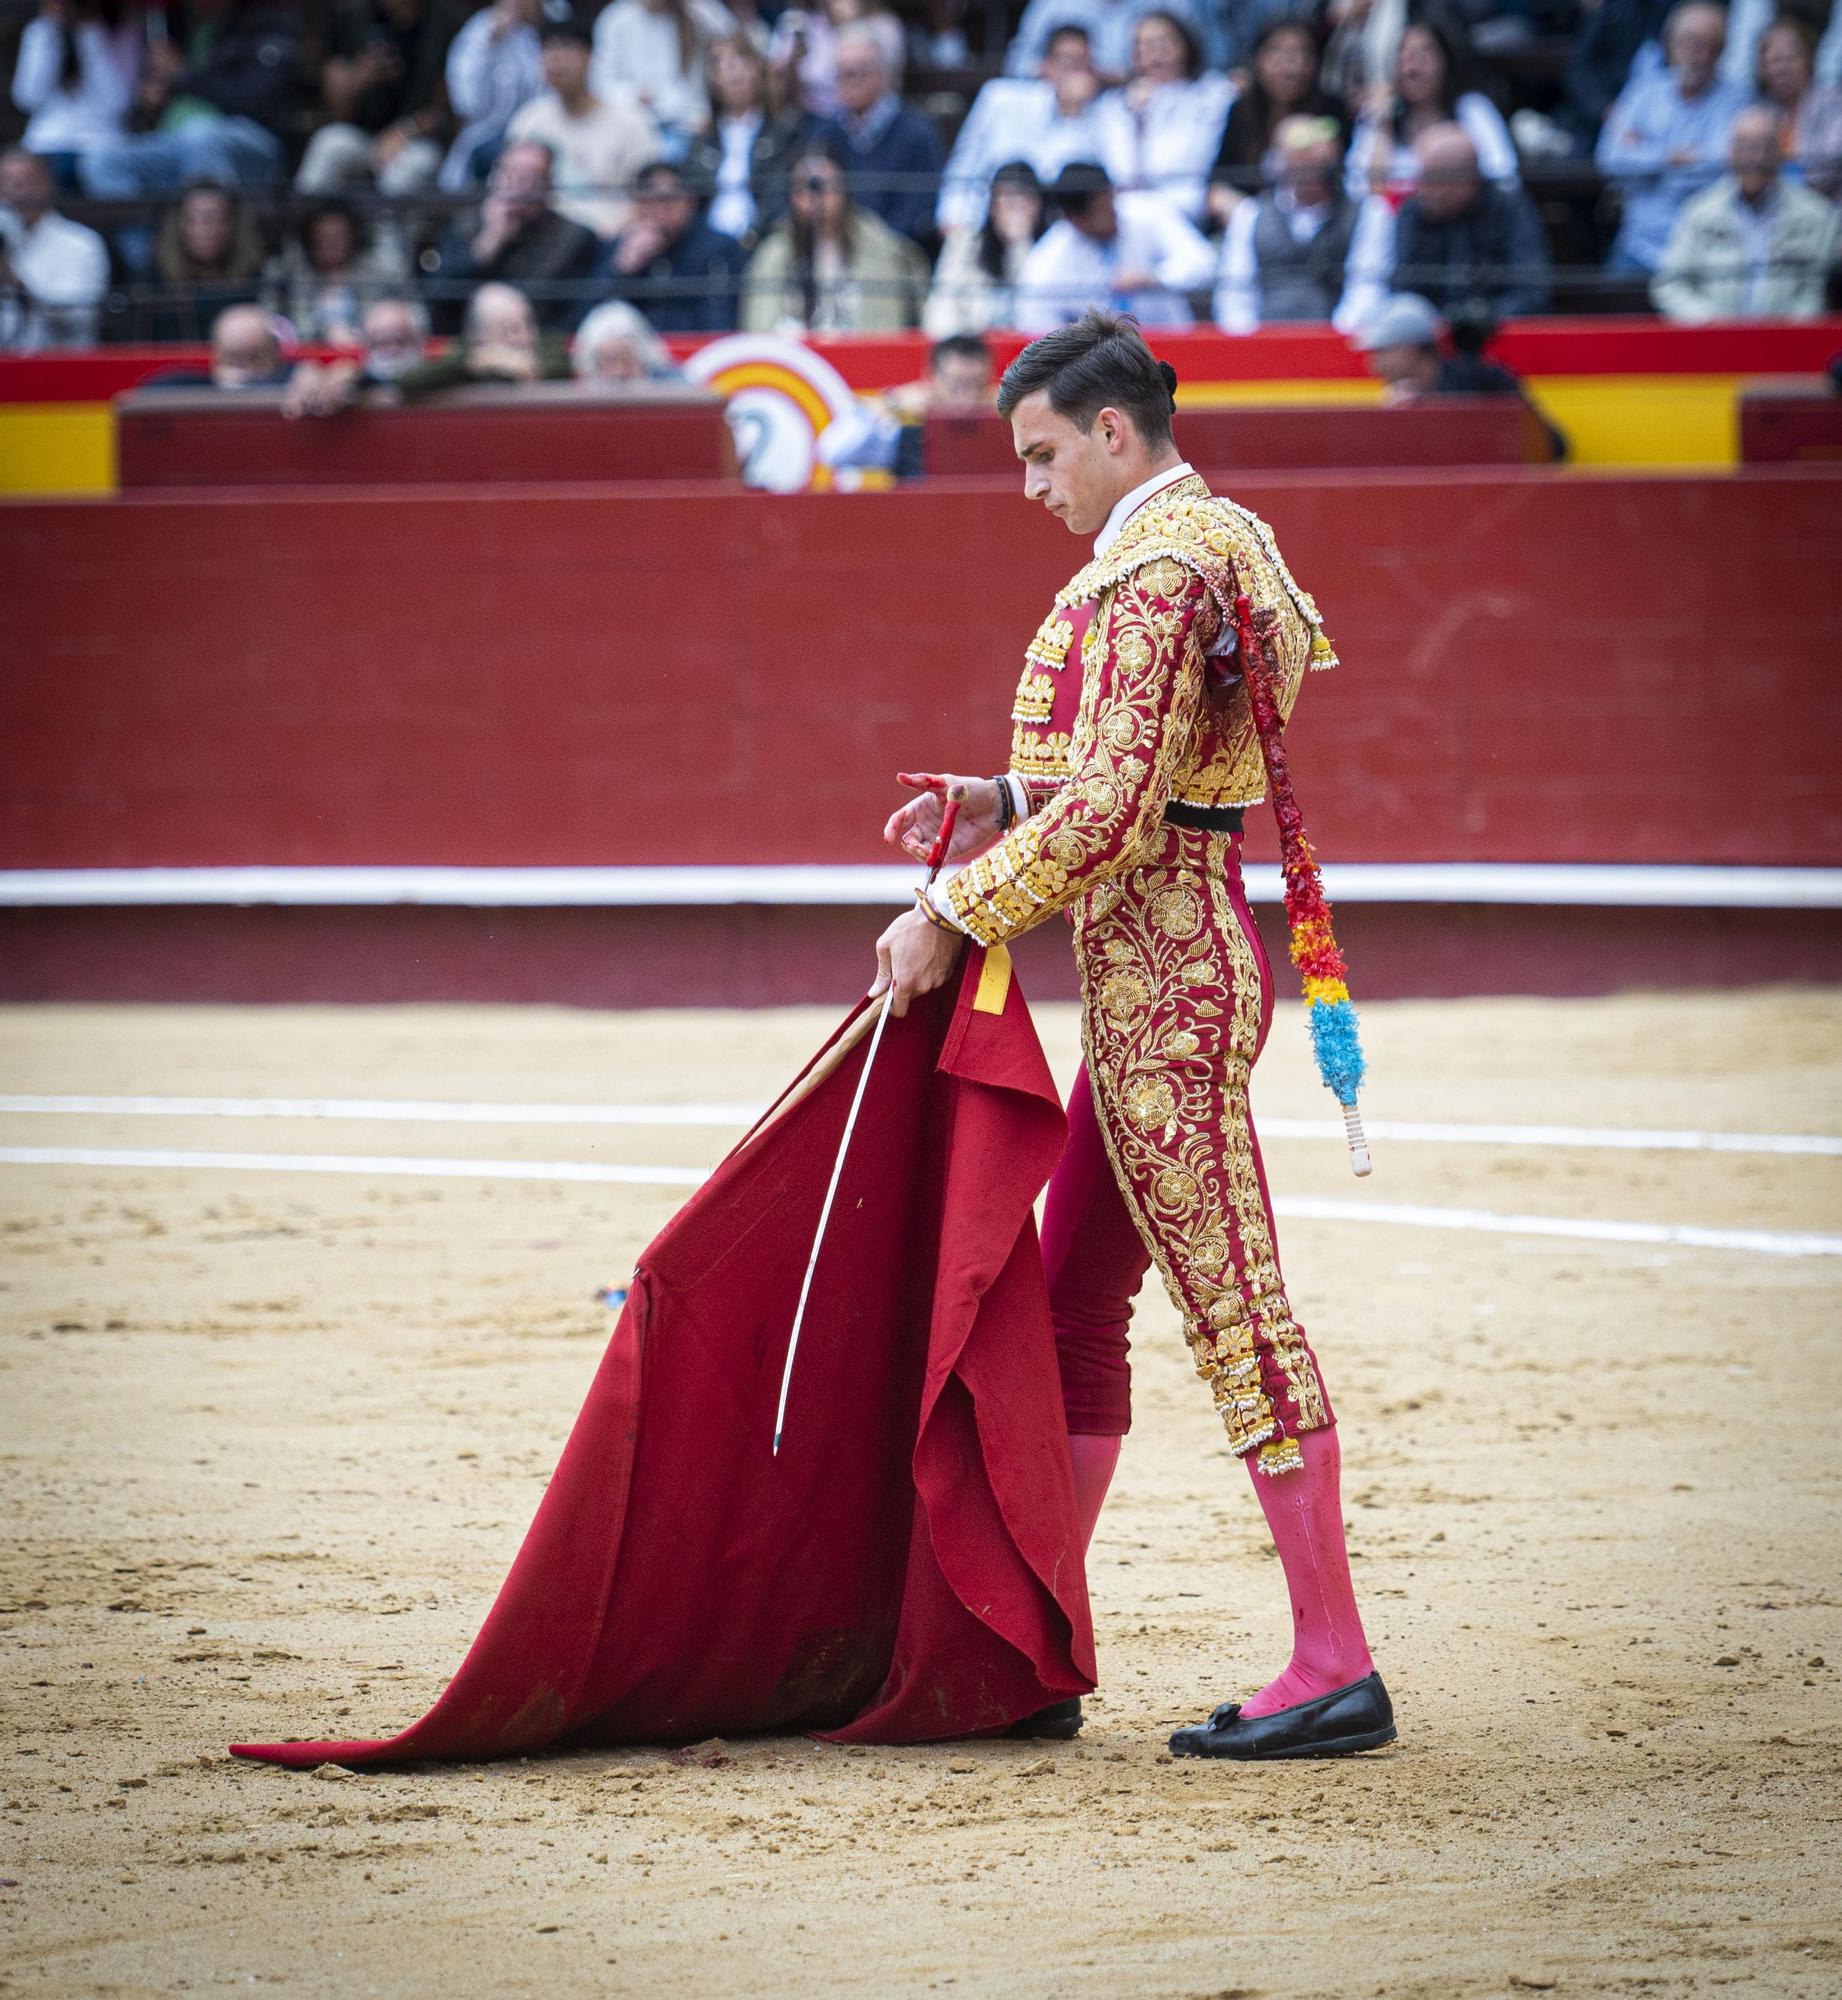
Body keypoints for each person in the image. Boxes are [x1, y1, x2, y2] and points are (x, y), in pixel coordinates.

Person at [873, 308, 1394, 1760]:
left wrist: (956, 912)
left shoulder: (1160, 565)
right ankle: (1036, 1644)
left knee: (1232, 1310)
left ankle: (1334, 1663)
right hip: (1153, 979)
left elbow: (1116, 810)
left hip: (1164, 990)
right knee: (1064, 1305)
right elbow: (1144, 783)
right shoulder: (1214, 539)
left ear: (1115, 433)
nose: (1032, 486)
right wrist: (997, 795)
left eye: (1044, 454)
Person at [78, 0, 298, 209]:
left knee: (202, 135)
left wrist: (182, 75)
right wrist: (149, 101)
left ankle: (210, 245)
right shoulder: (167, 25)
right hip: (174, 143)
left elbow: (254, 98)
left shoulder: (262, 22)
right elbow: (136, 119)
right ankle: (148, 248)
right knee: (101, 161)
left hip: (251, 141)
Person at [1597, 1, 1749, 273]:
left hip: (1708, 251)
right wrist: (1668, 157)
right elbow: (1609, 158)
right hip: (1640, 247)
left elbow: (1721, 167)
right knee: (1608, 309)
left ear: (1721, 50)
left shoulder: (1737, 101)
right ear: (1670, 45)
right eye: (1687, 41)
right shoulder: (1643, 93)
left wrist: (1644, 153)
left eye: (1707, 44)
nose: (1696, 53)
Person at [1652, 103, 1840, 316]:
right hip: (1713, 342)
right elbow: (1670, 285)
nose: (1755, 158)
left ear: (1781, 151)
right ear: (1731, 153)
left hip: (1794, 341)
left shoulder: (1817, 215)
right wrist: (1710, 326)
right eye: (1746, 147)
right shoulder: (1698, 212)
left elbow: (1818, 292)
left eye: (1764, 147)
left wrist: (1787, 333)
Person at [1211, 115, 1394, 332]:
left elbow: (1366, 289)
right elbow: (1234, 293)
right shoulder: (1250, 213)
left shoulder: (1370, 213)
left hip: (1335, 342)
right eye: (1299, 161)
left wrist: (1333, 340)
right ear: (1280, 163)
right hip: (1261, 344)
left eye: (1319, 164)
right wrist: (1251, 343)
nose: (1309, 173)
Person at [936, 23, 1106, 237]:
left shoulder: (1102, 117)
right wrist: (951, 217)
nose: (1073, 73)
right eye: (1066, 62)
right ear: (1045, 65)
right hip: (985, 229)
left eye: (1081, 64)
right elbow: (965, 163)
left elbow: (1068, 182)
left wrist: (1073, 114)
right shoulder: (1000, 97)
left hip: (1058, 235)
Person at [740, 140, 929, 330]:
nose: (816, 197)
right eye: (805, 187)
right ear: (791, 195)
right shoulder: (774, 253)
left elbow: (890, 327)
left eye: (827, 185)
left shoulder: (878, 246)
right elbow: (760, 327)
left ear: (844, 189)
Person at [1355, 289, 1567, 457]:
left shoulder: (1487, 381)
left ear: (1407, 349)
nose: (1373, 365)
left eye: (1380, 352)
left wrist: (1435, 411)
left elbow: (1553, 446)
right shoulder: (1395, 401)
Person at [1013, 158, 1215, 330]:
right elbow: (1035, 324)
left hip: (1172, 343)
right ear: (1073, 218)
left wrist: (1154, 278)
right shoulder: (1048, 262)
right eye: (1101, 209)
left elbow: (1204, 263)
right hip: (1101, 366)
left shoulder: (1150, 211)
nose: (1113, 213)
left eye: (1111, 200)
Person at [422, 137, 600, 330]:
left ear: (549, 184)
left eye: (531, 177)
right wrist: (489, 242)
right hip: (467, 340)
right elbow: (437, 297)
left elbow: (556, 309)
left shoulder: (573, 237)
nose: (518, 185)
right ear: (494, 177)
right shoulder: (464, 224)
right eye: (509, 173)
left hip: (539, 342)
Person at [506, 18, 659, 239]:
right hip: (539, 245)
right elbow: (508, 189)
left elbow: (650, 196)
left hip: (607, 243)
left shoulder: (632, 122)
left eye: (567, 48)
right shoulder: (529, 120)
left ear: (590, 56)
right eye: (548, 49)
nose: (557, 60)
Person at [294, 0, 455, 198]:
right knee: (329, 143)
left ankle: (387, 230)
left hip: (418, 140)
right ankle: (303, 227)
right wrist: (358, 79)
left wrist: (404, 131)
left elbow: (446, 110)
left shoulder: (446, 19)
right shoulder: (351, 15)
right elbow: (337, 112)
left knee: (413, 167)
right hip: (362, 136)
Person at [1388, 121, 1551, 317]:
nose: (1420, 188)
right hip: (1430, 336)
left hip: (1497, 331)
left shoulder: (1509, 207)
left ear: (1463, 179)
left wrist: (1479, 320)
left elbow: (1531, 292)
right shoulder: (1413, 210)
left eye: (1429, 178)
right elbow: (1403, 290)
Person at [1345, 16, 1519, 198]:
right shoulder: (1378, 116)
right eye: (1403, 55)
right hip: (1393, 223)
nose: (1412, 67)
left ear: (1445, 60)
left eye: (1424, 53)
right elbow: (1356, 190)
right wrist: (1381, 124)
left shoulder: (1472, 108)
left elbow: (1504, 178)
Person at [1091, 9, 1233, 222]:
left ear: (1185, 45)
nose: (1155, 54)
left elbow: (1183, 165)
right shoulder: (1114, 105)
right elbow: (1123, 172)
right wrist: (1138, 121)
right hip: (1128, 210)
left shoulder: (1213, 94)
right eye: (1144, 46)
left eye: (1163, 43)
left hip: (1186, 205)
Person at [1207, 16, 1350, 225]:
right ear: (1258, 60)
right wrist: (1254, 220)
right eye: (1278, 52)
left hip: (1320, 222)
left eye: (1302, 52)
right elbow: (1219, 183)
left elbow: (1344, 182)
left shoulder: (1331, 109)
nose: (1292, 64)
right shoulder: (1241, 111)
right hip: (1250, 221)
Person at [810, 24, 944, 245]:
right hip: (834, 250)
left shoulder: (916, 132)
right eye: (841, 73)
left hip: (893, 254)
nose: (848, 82)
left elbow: (917, 211)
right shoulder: (823, 133)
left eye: (857, 72)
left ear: (883, 75)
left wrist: (871, 249)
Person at [819, 328, 993, 477]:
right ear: (933, 380)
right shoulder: (907, 436)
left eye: (977, 385)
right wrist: (890, 404)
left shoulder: (1008, 431)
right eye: (957, 386)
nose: (968, 401)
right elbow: (832, 453)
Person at [684, 36, 806, 248]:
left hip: (764, 241)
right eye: (719, 61)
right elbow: (691, 200)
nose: (732, 68)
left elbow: (780, 197)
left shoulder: (784, 131)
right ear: (712, 79)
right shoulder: (703, 140)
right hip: (707, 244)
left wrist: (756, 233)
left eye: (741, 58)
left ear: (759, 69)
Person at [605, 155, 746, 330]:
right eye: (647, 201)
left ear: (690, 202)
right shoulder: (619, 248)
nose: (657, 211)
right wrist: (623, 271)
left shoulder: (719, 248)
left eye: (666, 201)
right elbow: (589, 319)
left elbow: (718, 320)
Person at [11, 0, 143, 187]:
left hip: (101, 143)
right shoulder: (40, 32)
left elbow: (117, 103)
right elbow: (28, 98)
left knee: (103, 168)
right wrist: (50, 31)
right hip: (46, 142)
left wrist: (91, 36)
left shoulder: (118, 31)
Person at [0, 144, 110, 348]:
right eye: (8, 182)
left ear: (49, 184)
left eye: (27, 181)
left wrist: (18, 284)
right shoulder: (3, 233)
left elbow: (79, 319)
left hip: (62, 366)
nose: (18, 191)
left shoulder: (82, 243)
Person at [925, 157, 1047, 335]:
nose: (1014, 209)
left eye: (1024, 199)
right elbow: (939, 311)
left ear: (1039, 205)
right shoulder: (964, 243)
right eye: (1007, 197)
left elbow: (1034, 315)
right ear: (992, 205)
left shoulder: (1051, 247)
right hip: (972, 347)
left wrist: (1020, 247)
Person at [394, 278, 570, 397]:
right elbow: (408, 383)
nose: (523, 336)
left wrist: (529, 371)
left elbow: (560, 368)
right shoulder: (465, 353)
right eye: (509, 329)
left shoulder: (548, 346)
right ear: (480, 335)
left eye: (527, 324)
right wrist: (477, 361)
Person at [263, 197, 408, 341]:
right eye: (323, 237)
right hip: (306, 354)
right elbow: (274, 324)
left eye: (339, 236)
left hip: (365, 352)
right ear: (310, 239)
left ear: (353, 237)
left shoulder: (377, 274)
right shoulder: (289, 275)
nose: (331, 244)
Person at [590, 0, 739, 140]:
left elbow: (736, 39)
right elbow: (600, 83)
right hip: (639, 127)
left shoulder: (696, 12)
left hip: (692, 126)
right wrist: (633, 95)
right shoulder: (616, 18)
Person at [439, 0, 543, 190]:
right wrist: (490, 41)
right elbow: (467, 102)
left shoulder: (543, 30)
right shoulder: (480, 30)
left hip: (536, 135)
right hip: (485, 138)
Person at [146, 176, 264, 337]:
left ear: (233, 224)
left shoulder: (257, 280)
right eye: (197, 218)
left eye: (218, 218)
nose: (208, 229)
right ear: (179, 225)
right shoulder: (153, 283)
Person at [279, 291, 430, 413]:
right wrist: (314, 372)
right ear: (365, 343)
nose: (390, 349)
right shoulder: (350, 373)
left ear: (419, 341)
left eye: (400, 341)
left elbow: (399, 383)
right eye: (380, 343)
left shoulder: (436, 372)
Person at [1753, 14, 1842, 199]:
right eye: (1775, 60)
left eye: (1790, 58)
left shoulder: (1834, 105)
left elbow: (1825, 172)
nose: (1782, 68)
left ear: (1808, 59)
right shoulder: (1762, 113)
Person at [767, 0, 903, 121]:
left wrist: (850, 22)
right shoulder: (801, 22)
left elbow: (887, 81)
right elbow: (776, 84)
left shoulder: (883, 25)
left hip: (868, 117)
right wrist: (795, 57)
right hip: (810, 118)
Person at [143, 298, 290, 385]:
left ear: (275, 354)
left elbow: (300, 373)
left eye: (256, 357)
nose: (247, 371)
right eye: (235, 360)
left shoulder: (294, 382)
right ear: (217, 357)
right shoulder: (180, 386)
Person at [572, 294, 680, 378]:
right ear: (595, 365)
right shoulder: (575, 400)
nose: (620, 372)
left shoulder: (673, 386)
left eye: (626, 360)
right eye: (611, 361)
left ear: (642, 359)